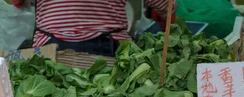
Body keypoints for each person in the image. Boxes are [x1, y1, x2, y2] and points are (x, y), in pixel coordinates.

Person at [15, 0, 173, 56]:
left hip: (49, 45)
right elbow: (166, 5)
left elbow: (17, 2)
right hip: (110, 46)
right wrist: (168, 17)